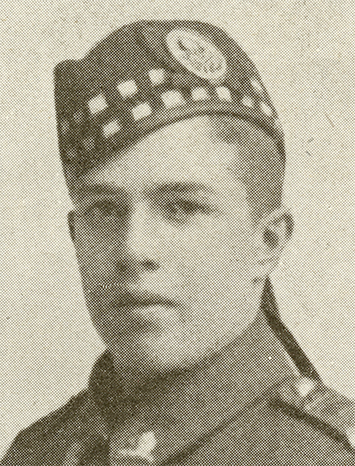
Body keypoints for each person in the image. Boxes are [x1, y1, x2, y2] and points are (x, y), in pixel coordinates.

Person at [2, 19, 355, 466]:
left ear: (267, 243)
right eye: (105, 211)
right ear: (76, 238)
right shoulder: (35, 455)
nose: (134, 250)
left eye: (182, 208)